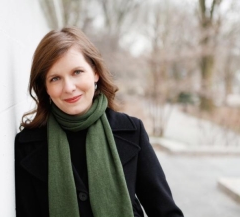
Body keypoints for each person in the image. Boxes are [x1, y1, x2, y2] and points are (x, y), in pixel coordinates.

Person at [15, 26, 184, 217]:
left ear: (95, 72)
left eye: (77, 72)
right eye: (55, 78)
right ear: (44, 87)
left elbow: (165, 211)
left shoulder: (131, 131)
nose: (69, 87)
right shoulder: (27, 145)